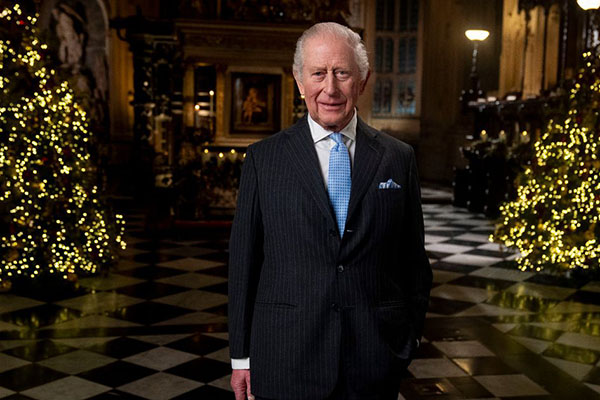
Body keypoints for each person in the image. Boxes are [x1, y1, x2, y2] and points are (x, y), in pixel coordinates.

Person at [228, 22, 432, 400]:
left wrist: (408, 340)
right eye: (318, 74)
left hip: (373, 361)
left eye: (342, 73)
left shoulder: (398, 158)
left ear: (362, 81)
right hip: (285, 359)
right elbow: (244, 265)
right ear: (299, 81)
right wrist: (240, 356)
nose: (330, 89)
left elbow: (413, 263)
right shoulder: (263, 160)